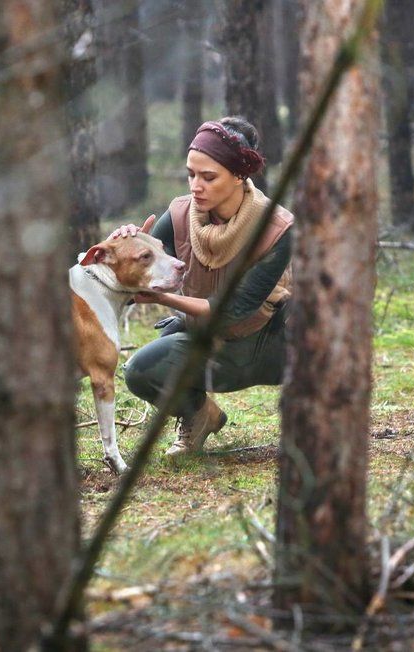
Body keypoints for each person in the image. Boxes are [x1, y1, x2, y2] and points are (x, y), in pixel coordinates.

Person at [110, 116, 294, 457]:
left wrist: (166, 299)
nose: (196, 186)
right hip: (215, 344)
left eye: (209, 177)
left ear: (240, 176)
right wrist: (123, 245)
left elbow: (230, 311)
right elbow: (136, 270)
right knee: (140, 371)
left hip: (270, 343)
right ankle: (200, 416)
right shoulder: (181, 215)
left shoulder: (276, 228)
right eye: (191, 174)